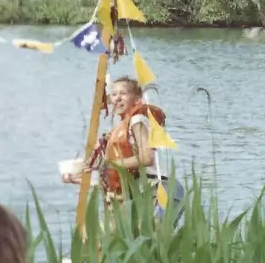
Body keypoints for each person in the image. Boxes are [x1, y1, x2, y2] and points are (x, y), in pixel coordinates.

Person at [62, 76, 183, 222]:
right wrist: (79, 178)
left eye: (123, 93)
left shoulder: (137, 120)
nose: (118, 98)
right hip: (143, 193)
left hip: (162, 191)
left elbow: (146, 158)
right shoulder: (116, 133)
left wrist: (108, 164)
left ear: (137, 99)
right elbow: (116, 178)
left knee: (153, 240)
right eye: (114, 94)